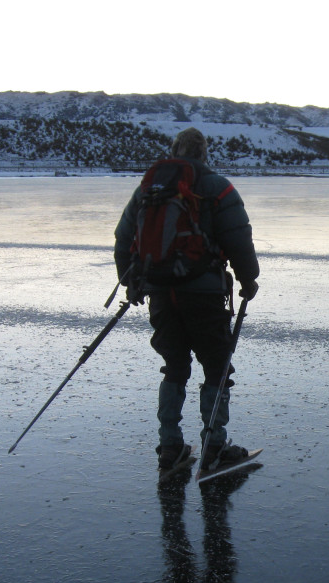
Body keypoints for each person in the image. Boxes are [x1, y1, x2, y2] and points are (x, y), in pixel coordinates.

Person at [114, 127, 260, 473]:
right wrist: (248, 278)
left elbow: (124, 236)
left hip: (161, 293)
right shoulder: (217, 187)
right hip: (204, 293)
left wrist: (130, 281)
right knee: (217, 367)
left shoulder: (150, 188)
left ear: (174, 150)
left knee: (175, 366)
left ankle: (170, 448)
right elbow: (238, 236)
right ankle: (214, 447)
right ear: (203, 153)